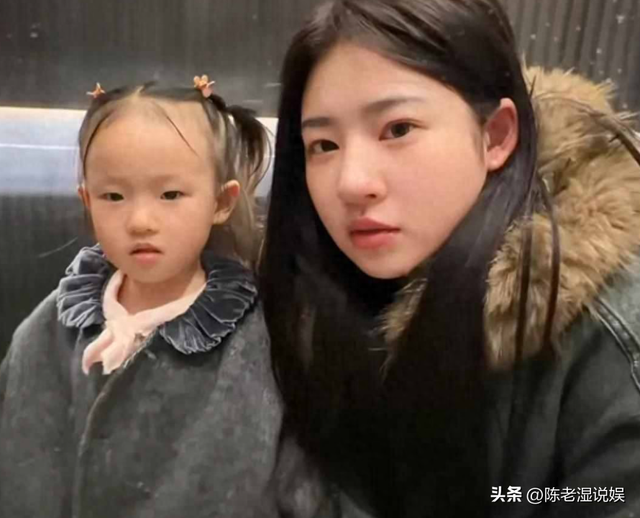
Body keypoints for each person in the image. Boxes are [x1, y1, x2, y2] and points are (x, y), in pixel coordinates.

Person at [259, 0, 640, 516]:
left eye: (398, 129)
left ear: (496, 136)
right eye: (323, 145)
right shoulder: (315, 289)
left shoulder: (606, 331)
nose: (350, 183)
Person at [0, 77, 280, 518]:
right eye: (113, 196)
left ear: (221, 201)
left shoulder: (260, 340)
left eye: (170, 194)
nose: (140, 221)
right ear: (87, 201)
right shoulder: (49, 329)